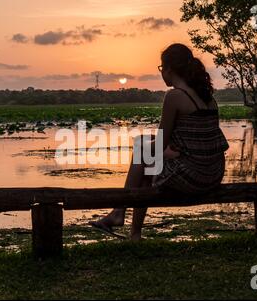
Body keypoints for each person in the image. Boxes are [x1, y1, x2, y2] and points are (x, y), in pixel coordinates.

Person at [90, 43, 229, 241]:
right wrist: (163, 150)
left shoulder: (174, 96)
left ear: (169, 69)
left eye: (161, 68)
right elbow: (195, 139)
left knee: (141, 151)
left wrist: (155, 150)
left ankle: (119, 212)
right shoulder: (208, 99)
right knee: (145, 158)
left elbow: (160, 145)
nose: (161, 73)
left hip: (194, 176)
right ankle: (134, 233)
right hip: (213, 173)